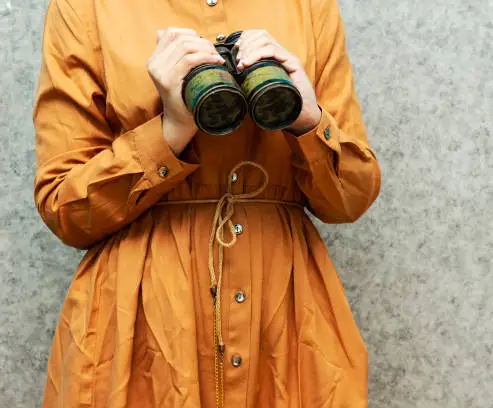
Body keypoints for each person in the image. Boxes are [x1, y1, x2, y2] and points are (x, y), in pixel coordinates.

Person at [33, 0, 381, 406]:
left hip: (286, 321)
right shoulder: (87, 7)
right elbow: (66, 209)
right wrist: (171, 130)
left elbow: (349, 200)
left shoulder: (309, 7)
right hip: (141, 324)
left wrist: (306, 118)